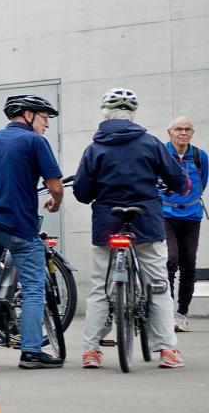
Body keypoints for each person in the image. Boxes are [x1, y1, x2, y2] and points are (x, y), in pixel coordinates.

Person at [73, 88, 187, 369]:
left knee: (100, 285)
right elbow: (176, 180)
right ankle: (167, 350)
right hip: (146, 219)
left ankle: (91, 351)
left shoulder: (95, 147)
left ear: (105, 114)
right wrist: (180, 187)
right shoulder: (150, 143)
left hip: (107, 220)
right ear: (133, 114)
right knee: (158, 285)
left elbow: (82, 192)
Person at [0, 94, 64, 369]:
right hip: (20, 225)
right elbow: (55, 185)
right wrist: (56, 201)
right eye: (44, 118)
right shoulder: (35, 141)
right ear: (28, 115)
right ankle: (30, 351)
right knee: (32, 288)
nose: (47, 125)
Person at [160, 117, 204, 332]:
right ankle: (166, 313)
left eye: (187, 129)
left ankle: (182, 314)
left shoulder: (199, 156)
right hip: (165, 215)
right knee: (170, 259)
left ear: (192, 133)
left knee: (189, 265)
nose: (183, 133)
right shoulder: (160, 154)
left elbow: (202, 182)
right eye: (178, 129)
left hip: (191, 217)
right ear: (170, 132)